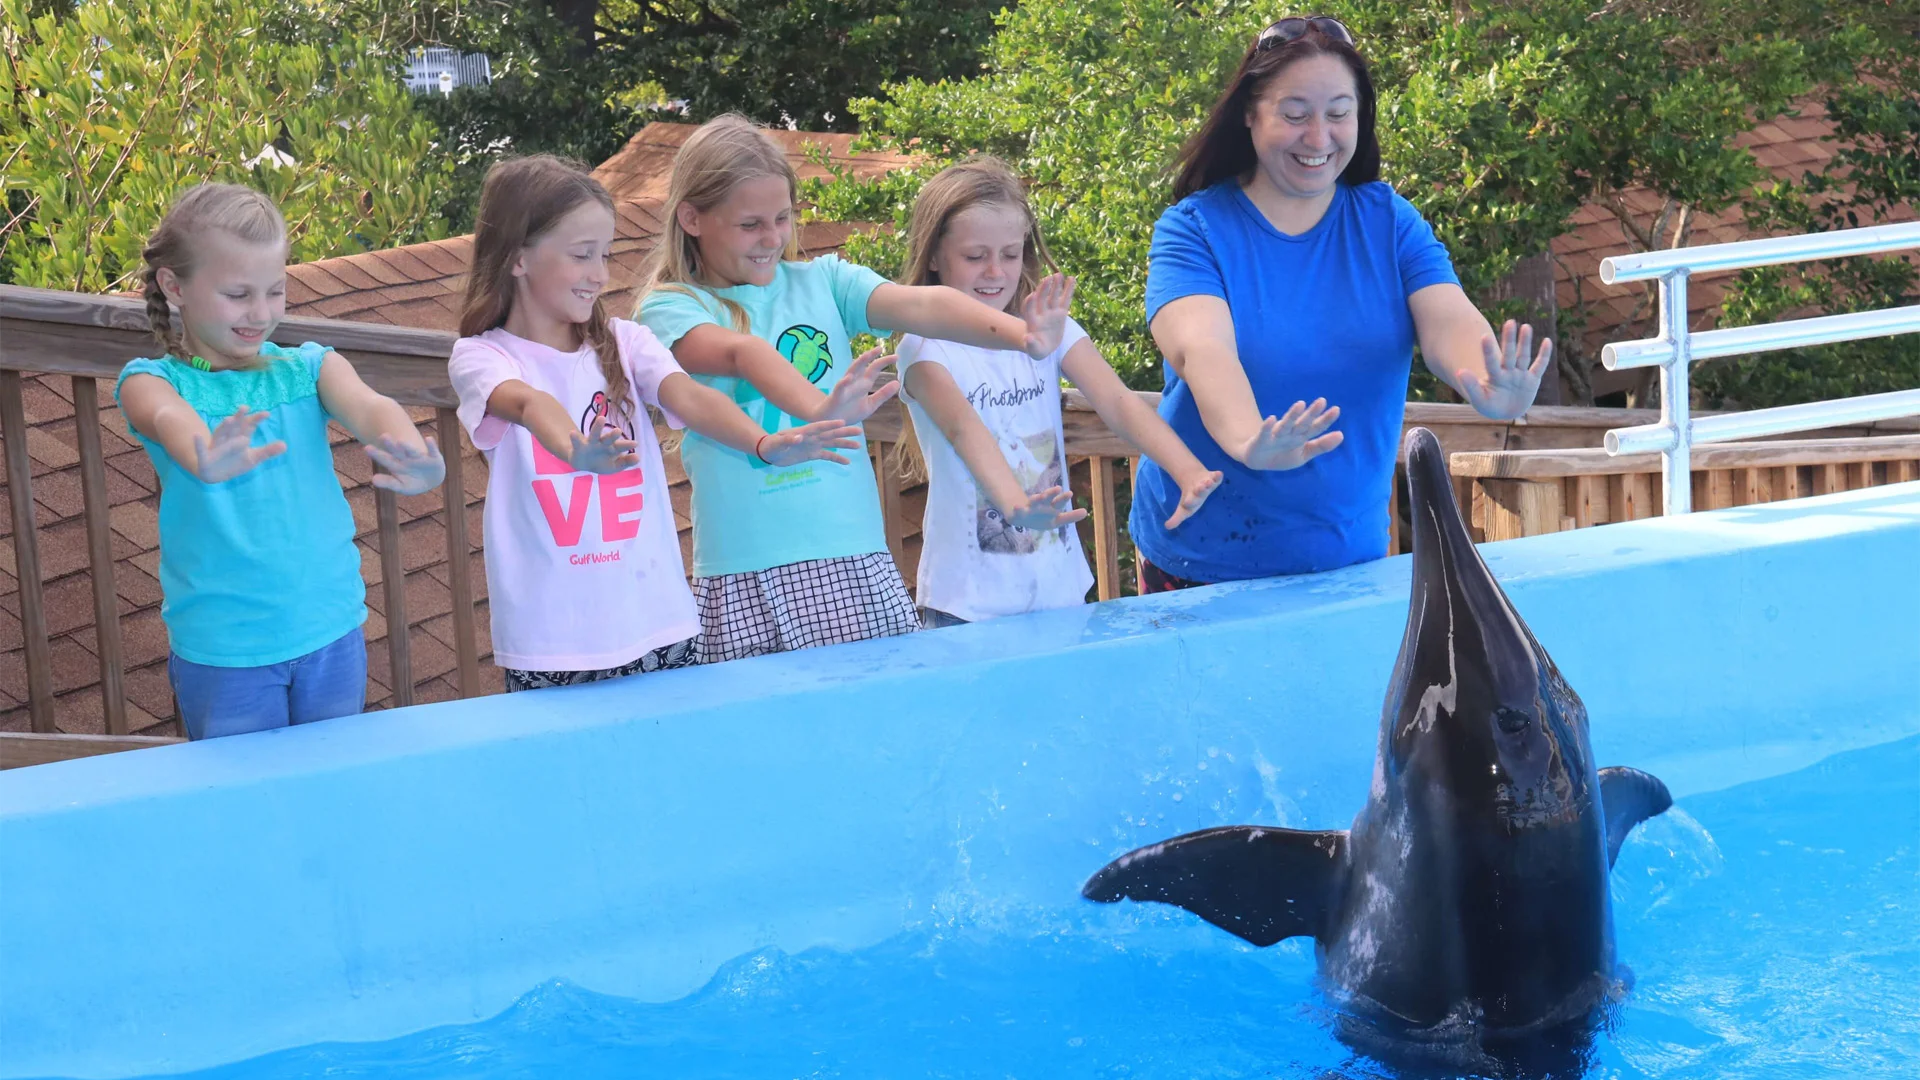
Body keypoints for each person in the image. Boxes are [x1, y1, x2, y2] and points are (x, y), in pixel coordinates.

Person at [1131, 15, 1551, 590]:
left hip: (1348, 563)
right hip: (1200, 564)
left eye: (1338, 113)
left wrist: (1487, 380)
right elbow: (1201, 351)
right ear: (1250, 114)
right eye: (1295, 113)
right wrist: (1247, 440)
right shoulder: (1192, 229)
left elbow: (1446, 318)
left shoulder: (1388, 221)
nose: (1319, 137)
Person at [637, 115, 1076, 661]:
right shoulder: (670, 307)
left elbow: (924, 303)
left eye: (782, 217)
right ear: (692, 218)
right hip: (743, 569)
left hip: (853, 557)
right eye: (751, 224)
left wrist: (1024, 335)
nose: (772, 237)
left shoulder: (823, 281)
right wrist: (820, 409)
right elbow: (740, 353)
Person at [448, 155, 866, 691]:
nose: (599, 275)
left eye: (604, 254)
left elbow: (690, 398)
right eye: (581, 256)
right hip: (551, 639)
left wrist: (765, 444)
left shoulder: (625, 342)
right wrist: (576, 450)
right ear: (517, 257)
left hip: (661, 626)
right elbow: (529, 405)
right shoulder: (482, 356)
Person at [116, 183, 446, 738]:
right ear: (175, 286)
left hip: (330, 629)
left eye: (275, 291)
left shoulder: (311, 367)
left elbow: (371, 405)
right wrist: (203, 453)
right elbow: (168, 417)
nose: (261, 313)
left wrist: (415, 455)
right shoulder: (150, 382)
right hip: (225, 649)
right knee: (246, 806)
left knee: (329, 787)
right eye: (238, 294)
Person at [893, 157, 1224, 626]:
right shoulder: (923, 345)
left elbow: (1119, 401)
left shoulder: (1050, 326)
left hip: (1061, 591)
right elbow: (963, 429)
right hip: (967, 604)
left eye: (1009, 254)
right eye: (974, 256)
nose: (995, 271)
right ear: (932, 256)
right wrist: (1016, 507)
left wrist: (1188, 470)